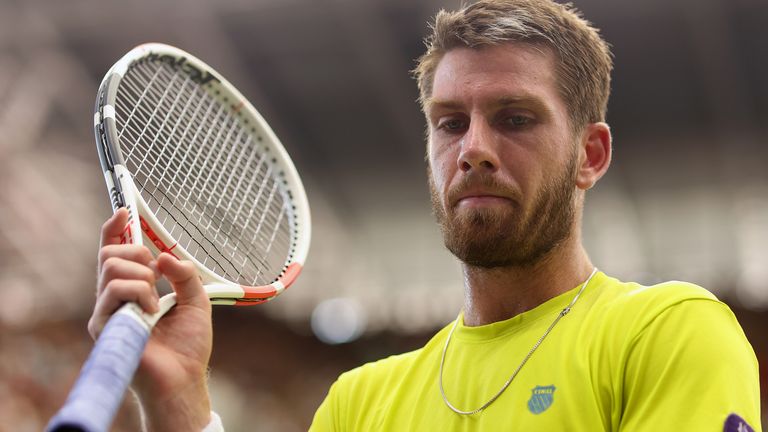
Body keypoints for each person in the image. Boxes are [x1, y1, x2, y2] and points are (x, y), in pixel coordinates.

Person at [91, 0, 762, 430]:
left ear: (590, 154)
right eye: (449, 124)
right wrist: (179, 403)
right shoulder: (359, 404)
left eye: (515, 118)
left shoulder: (668, 335)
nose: (473, 149)